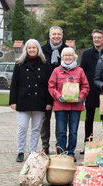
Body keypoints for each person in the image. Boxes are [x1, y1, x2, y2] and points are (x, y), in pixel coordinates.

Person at [9, 39, 52, 162]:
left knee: (36, 128)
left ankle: (32, 151)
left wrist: (49, 102)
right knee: (22, 127)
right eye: (29, 48)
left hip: (40, 101)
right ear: (26, 49)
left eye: (34, 48)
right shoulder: (19, 64)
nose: (32, 50)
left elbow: (48, 85)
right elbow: (14, 84)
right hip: (23, 100)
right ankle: (20, 151)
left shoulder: (45, 64)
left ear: (38, 49)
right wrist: (13, 101)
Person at [48, 47, 89, 161]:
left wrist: (81, 97)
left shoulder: (80, 71)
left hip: (75, 106)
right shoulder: (56, 71)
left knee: (73, 132)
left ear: (74, 57)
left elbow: (85, 86)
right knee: (61, 131)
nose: (68, 57)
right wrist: (58, 96)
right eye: (65, 55)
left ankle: (70, 153)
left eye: (70, 55)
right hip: (61, 106)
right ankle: (62, 153)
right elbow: (51, 86)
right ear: (62, 57)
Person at [40, 26, 68, 155]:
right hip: (45, 90)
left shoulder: (67, 50)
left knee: (60, 119)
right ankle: (45, 145)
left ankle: (60, 145)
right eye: (54, 34)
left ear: (62, 36)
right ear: (49, 36)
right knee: (45, 119)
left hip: (62, 90)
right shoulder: (42, 50)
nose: (56, 36)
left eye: (58, 34)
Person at [79, 29, 103, 154]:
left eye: (99, 37)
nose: (97, 39)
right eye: (95, 37)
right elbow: (81, 73)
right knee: (89, 119)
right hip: (90, 90)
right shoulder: (86, 54)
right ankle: (88, 144)